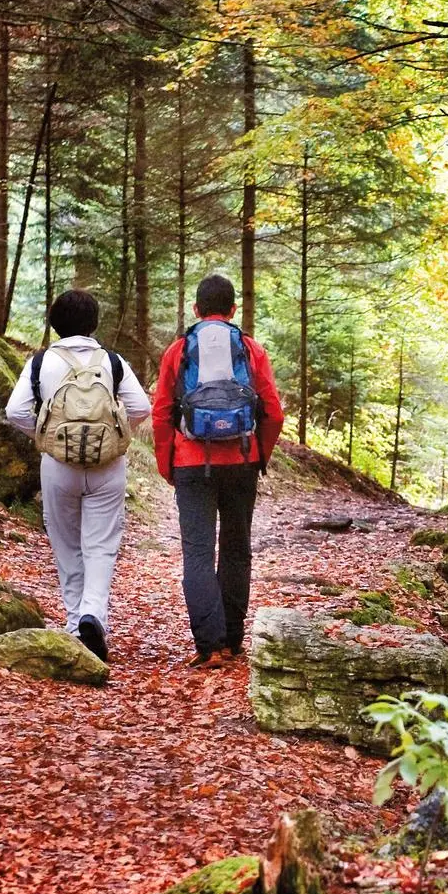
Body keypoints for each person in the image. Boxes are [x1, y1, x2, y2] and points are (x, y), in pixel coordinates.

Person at [4, 289, 151, 663]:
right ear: (93, 324)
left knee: (66, 545)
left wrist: (46, 436)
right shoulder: (113, 361)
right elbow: (140, 407)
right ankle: (93, 616)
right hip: (108, 467)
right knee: (100, 546)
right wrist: (116, 432)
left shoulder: (41, 363)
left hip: (58, 467)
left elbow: (16, 411)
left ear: (55, 324)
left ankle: (74, 626)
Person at [154, 274, 285, 669]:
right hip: (242, 461)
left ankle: (208, 646)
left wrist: (167, 463)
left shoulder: (178, 351)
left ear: (196, 310)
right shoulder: (250, 349)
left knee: (197, 552)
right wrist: (260, 454)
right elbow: (274, 412)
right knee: (236, 548)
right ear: (232, 311)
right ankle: (232, 641)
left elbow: (161, 413)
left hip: (191, 462)